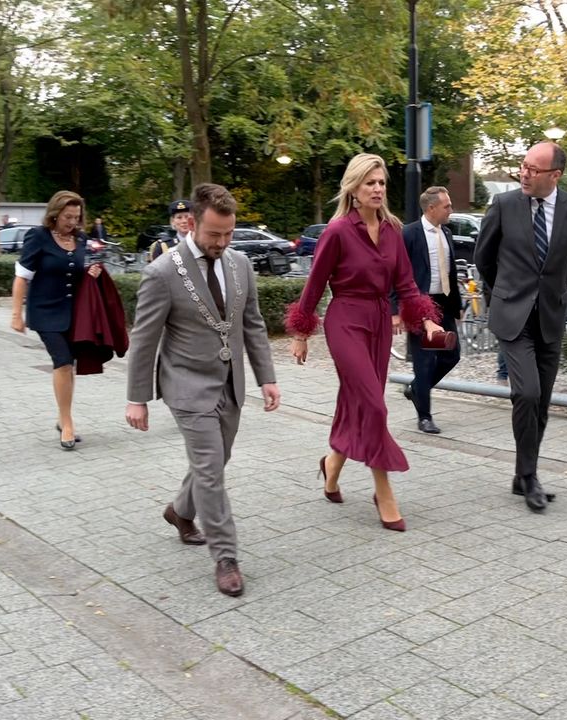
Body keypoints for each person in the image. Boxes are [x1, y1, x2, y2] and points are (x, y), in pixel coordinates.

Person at [126, 183, 280, 597]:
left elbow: (252, 324)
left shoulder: (241, 265)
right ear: (192, 223)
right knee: (211, 469)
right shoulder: (162, 272)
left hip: (231, 384)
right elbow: (144, 338)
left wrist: (267, 376)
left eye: (229, 234)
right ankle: (225, 557)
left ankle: (180, 511)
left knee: (218, 459)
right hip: (186, 384)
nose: (222, 242)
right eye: (214, 235)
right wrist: (136, 397)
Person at [286, 153, 445, 532]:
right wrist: (301, 332)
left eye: (381, 183)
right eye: (369, 183)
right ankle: (383, 490)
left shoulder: (392, 229)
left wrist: (426, 320)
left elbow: (406, 284)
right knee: (374, 406)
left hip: (378, 323)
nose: (377, 188)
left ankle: (332, 467)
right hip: (345, 322)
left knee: (357, 401)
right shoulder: (338, 231)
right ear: (354, 189)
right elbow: (315, 284)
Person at [474, 142, 567, 513]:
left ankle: (521, 473)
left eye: (533, 169)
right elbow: (484, 258)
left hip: (550, 317)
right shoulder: (504, 205)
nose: (524, 174)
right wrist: (505, 296)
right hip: (513, 318)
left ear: (554, 176)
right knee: (525, 393)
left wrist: (550, 293)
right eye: (523, 167)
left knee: (541, 401)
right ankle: (530, 477)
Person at [10, 191, 103, 450]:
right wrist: (17, 313)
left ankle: (64, 419)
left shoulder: (81, 239)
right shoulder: (37, 237)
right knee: (62, 363)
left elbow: (75, 273)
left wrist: (91, 273)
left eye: (76, 217)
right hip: (45, 312)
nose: (72, 221)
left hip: (74, 313)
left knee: (69, 365)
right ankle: (67, 421)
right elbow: (21, 277)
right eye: (67, 216)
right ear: (55, 213)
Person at [395, 186, 461, 434]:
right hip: (419, 306)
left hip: (443, 305)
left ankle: (416, 389)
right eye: (447, 206)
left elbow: (451, 273)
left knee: (451, 355)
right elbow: (397, 274)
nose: (451, 210)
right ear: (431, 208)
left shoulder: (447, 233)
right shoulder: (409, 234)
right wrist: (396, 310)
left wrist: (457, 304)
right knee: (424, 362)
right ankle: (424, 416)